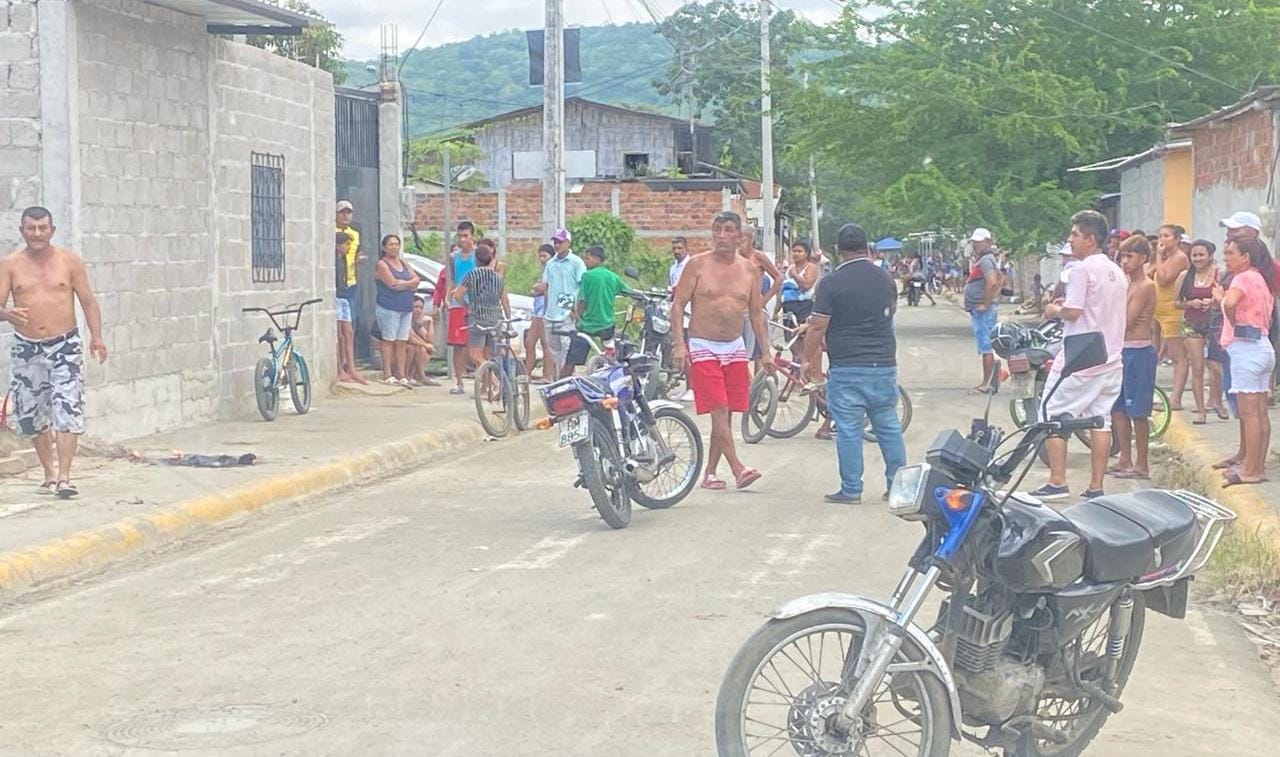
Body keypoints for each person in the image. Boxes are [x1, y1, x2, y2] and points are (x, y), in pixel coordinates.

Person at [0, 206, 108, 499]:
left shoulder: (69, 262)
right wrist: (8, 315)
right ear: (22, 231)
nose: (37, 233)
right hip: (27, 347)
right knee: (33, 415)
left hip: (65, 345)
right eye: (31, 228)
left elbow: (88, 301)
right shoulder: (10, 264)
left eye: (42, 228)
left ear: (52, 230)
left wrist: (96, 337)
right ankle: (49, 474)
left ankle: (65, 477)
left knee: (67, 407)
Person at [802, 223, 904, 504]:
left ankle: (851, 489)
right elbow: (890, 313)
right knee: (888, 425)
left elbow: (817, 327)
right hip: (883, 362)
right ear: (867, 247)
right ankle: (897, 486)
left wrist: (806, 359)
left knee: (848, 428)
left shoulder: (831, 283)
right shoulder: (884, 279)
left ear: (838, 250)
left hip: (847, 365)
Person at [1030, 210, 1127, 501]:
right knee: (1101, 420)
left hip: (1079, 359)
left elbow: (1074, 312)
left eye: (1074, 234)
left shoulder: (1081, 269)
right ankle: (1096, 486)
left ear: (1090, 239)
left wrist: (1053, 310)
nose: (1069, 240)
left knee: (1050, 412)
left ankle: (1057, 481)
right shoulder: (1116, 271)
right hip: (1110, 358)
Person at [671, 210, 770, 491]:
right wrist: (680, 344)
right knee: (718, 408)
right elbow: (677, 305)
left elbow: (756, 313)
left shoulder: (749, 269)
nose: (722, 236)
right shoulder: (697, 265)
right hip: (703, 346)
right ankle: (738, 468)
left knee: (726, 414)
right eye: (717, 230)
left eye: (729, 230)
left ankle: (710, 473)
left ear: (740, 236)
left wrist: (766, 352)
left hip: (735, 347)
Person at [1212, 237, 1277, 487]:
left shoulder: (1241, 279)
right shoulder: (1261, 278)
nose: (1226, 258)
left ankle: (1252, 469)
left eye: (1230, 253)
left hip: (1246, 349)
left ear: (1246, 257)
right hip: (1262, 346)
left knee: (1250, 414)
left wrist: (1223, 302)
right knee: (1260, 413)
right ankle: (1255, 464)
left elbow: (1230, 302)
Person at [1108, 235, 1157, 480]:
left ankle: (1142, 464)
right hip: (1122, 350)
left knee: (1138, 410)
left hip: (1138, 351)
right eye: (1123, 256)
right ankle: (1124, 458)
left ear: (1144, 258)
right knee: (1118, 409)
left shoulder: (1146, 285)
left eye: (1130, 256)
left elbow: (1126, 320)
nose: (1125, 261)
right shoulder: (1127, 284)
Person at [1175, 239, 1225, 423]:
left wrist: (1213, 303)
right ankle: (1201, 410)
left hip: (1214, 323)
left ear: (1210, 256)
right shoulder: (1184, 276)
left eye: (1201, 254)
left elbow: (1226, 298)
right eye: (1194, 255)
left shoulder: (1219, 275)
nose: (1197, 258)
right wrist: (1191, 303)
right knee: (1197, 367)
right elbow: (1176, 303)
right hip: (1191, 324)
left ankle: (1217, 401)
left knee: (1216, 366)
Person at [451, 239, 510, 388]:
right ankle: (488, 386)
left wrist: (467, 306)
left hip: (477, 319)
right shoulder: (498, 277)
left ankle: (495, 383)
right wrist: (507, 318)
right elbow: (504, 299)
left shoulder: (472, 275)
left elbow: (458, 295)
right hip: (495, 318)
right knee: (489, 354)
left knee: (475, 355)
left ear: (476, 260)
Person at [566, 246, 630, 377]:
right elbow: (628, 291)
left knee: (571, 360)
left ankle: (561, 383)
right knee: (611, 356)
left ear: (596, 259)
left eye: (587, 258)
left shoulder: (587, 276)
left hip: (587, 326)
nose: (585, 261)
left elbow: (582, 300)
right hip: (607, 325)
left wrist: (577, 317)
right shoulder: (612, 277)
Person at [373, 234, 421, 386]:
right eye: (391, 244)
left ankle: (401, 374)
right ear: (384, 247)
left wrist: (404, 283)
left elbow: (417, 280)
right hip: (389, 307)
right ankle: (387, 373)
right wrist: (409, 284)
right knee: (388, 341)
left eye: (396, 244)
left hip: (406, 308)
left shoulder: (403, 263)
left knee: (401, 341)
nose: (394, 247)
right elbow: (392, 284)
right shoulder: (382, 264)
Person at [1151, 224, 1190, 401]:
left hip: (1172, 311)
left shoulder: (1180, 257)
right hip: (1158, 309)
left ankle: (1176, 397)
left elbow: (1164, 279)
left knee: (1177, 356)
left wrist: (1158, 256)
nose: (1161, 240)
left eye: (1166, 236)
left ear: (1176, 240)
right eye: (1160, 236)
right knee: (1153, 350)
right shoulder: (1166, 258)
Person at [541, 228, 587, 377]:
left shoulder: (576, 262)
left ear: (567, 242)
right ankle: (559, 379)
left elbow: (582, 287)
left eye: (560, 242)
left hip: (567, 310)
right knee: (554, 349)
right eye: (555, 242)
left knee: (567, 347)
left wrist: (576, 310)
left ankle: (565, 378)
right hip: (551, 312)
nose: (557, 245)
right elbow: (546, 286)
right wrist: (546, 309)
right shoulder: (551, 263)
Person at [440, 221, 479, 395]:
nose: (462, 239)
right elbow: (451, 279)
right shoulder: (453, 257)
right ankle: (459, 380)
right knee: (458, 345)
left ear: (472, 237)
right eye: (460, 236)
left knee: (475, 345)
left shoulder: (478, 255)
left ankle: (484, 381)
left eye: (466, 236)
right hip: (457, 303)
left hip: (475, 303)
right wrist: (447, 298)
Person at [738, 226, 782, 374]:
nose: (739, 242)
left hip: (755, 308)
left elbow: (778, 277)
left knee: (759, 348)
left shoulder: (758, 257)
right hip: (738, 308)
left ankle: (759, 382)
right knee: (740, 349)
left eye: (742, 238)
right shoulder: (734, 258)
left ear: (750, 239)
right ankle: (747, 381)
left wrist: (765, 299)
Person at [963, 228, 1002, 393]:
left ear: (988, 242)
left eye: (980, 242)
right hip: (980, 309)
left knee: (986, 347)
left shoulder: (986, 260)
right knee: (986, 346)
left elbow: (992, 282)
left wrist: (985, 304)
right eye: (975, 242)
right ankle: (992, 381)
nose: (976, 245)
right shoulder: (984, 260)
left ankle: (986, 384)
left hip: (984, 310)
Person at [334, 201, 366, 385]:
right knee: (339, 331)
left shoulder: (355, 234)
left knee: (349, 330)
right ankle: (340, 368)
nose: (345, 216)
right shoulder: (330, 233)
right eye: (342, 212)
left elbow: (356, 254)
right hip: (337, 290)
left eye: (349, 212)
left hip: (349, 283)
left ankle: (350, 367)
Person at [524, 244, 554, 382]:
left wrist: (538, 287)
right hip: (538, 309)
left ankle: (547, 375)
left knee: (545, 343)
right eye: (540, 256)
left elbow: (544, 286)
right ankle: (527, 374)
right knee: (529, 342)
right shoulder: (543, 270)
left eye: (545, 256)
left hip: (545, 309)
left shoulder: (553, 269)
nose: (542, 259)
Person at [779, 239, 819, 326]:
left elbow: (806, 285)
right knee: (789, 333)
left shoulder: (811, 268)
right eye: (794, 251)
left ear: (807, 253)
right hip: (787, 307)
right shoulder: (790, 268)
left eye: (799, 251)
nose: (796, 254)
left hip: (804, 306)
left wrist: (795, 275)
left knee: (802, 334)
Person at [405, 296, 439, 387]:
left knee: (425, 348)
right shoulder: (404, 318)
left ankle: (417, 375)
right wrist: (425, 345)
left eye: (421, 308)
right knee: (417, 348)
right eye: (415, 307)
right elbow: (410, 337)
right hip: (383, 355)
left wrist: (431, 322)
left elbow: (429, 338)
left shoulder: (415, 321)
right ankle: (411, 376)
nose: (418, 310)